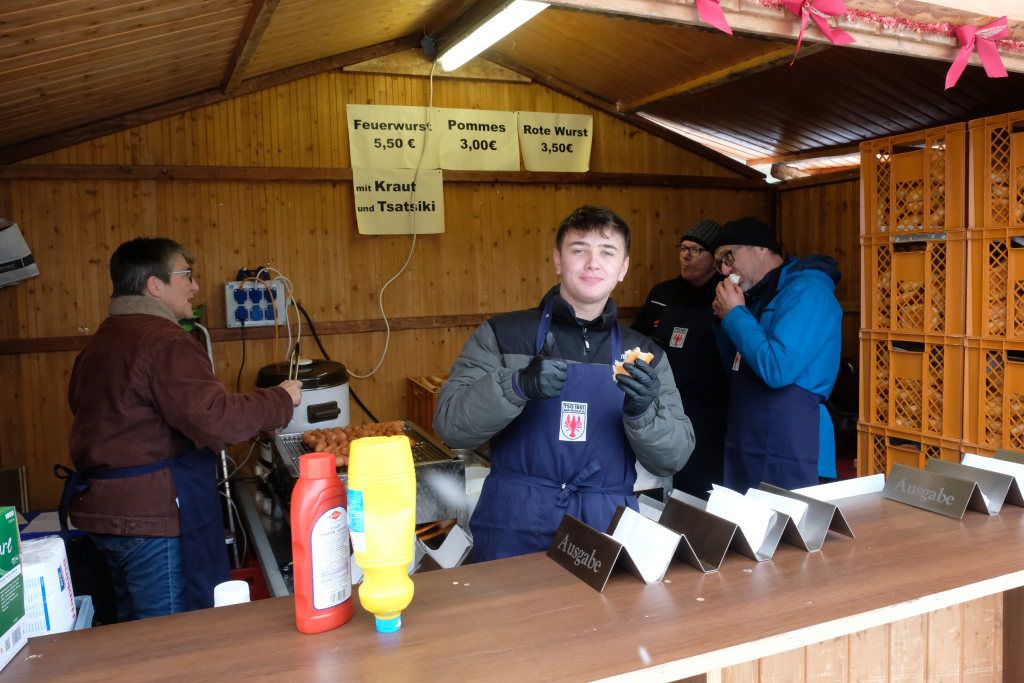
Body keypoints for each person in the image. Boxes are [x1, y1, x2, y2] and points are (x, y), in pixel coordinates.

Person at [60, 237, 302, 621]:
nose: (195, 287)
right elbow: (215, 421)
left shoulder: (101, 343)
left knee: (134, 630)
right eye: (186, 276)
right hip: (153, 519)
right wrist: (280, 400)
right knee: (172, 635)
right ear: (154, 285)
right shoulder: (165, 342)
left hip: (105, 514)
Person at [434, 205, 693, 562]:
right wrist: (516, 386)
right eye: (579, 249)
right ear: (558, 260)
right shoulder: (502, 335)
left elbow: (674, 458)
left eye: (607, 252)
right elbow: (451, 427)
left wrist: (643, 412)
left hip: (606, 522)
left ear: (623, 268)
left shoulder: (646, 356)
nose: (593, 263)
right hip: (513, 517)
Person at [709, 217, 842, 491]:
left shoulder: (808, 292)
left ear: (760, 247)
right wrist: (723, 320)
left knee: (792, 518)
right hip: (747, 438)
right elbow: (735, 367)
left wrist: (735, 315)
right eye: (719, 263)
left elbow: (777, 369)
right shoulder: (757, 298)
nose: (725, 269)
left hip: (794, 442)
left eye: (728, 256)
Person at [632, 219, 728, 499]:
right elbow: (637, 338)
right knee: (655, 486)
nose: (686, 256)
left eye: (696, 250)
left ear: (715, 259)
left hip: (709, 411)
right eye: (683, 248)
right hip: (661, 404)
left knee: (699, 489)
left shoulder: (724, 296)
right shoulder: (663, 293)